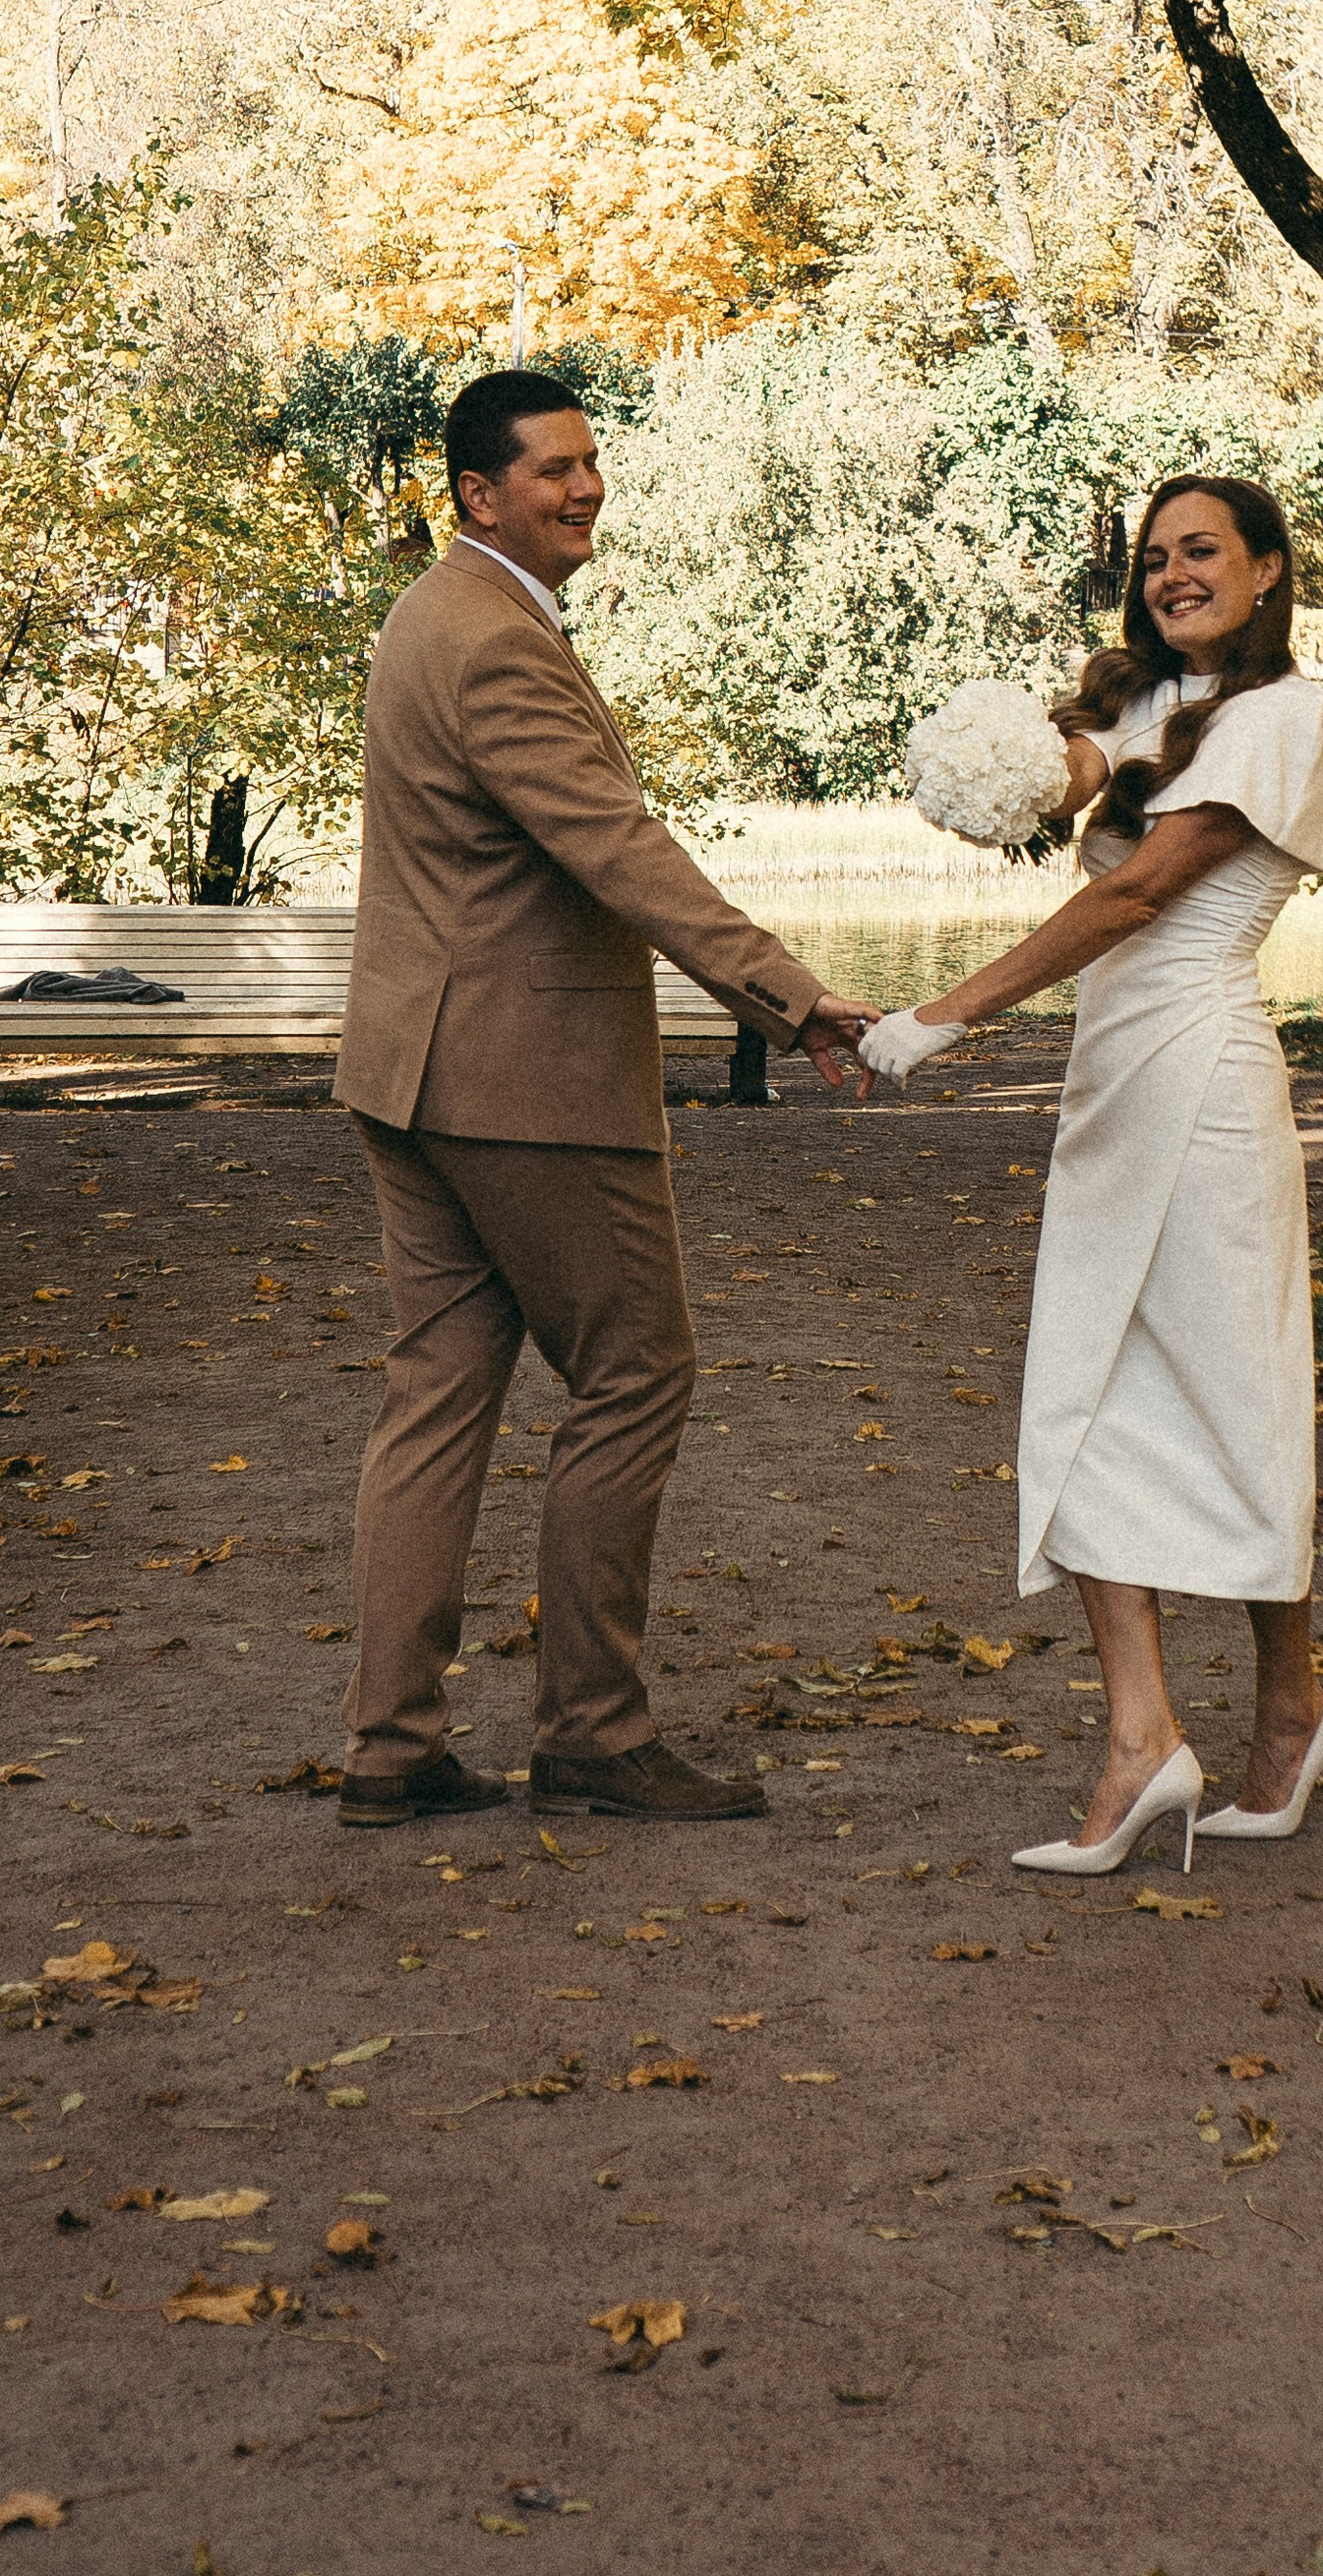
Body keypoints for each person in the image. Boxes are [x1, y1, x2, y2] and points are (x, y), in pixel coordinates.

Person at [331, 367, 875, 1833]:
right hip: (524, 1083)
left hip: (415, 1069)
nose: (584, 488)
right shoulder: (492, 637)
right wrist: (785, 991)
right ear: (477, 494)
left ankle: (392, 1749)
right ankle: (593, 1731)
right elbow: (612, 848)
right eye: (554, 469)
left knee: (438, 1399)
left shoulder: (434, 617)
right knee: (637, 1374)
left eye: (591, 463)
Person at [861, 474, 1323, 1877]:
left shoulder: (1283, 719)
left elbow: (1135, 893)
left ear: (1265, 570)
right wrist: (988, 759)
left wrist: (940, 1016)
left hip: (1204, 1082)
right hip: (1112, 1082)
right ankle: (1142, 1737)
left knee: (1239, 1398)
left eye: (1202, 553)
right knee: (1084, 1383)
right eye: (1154, 558)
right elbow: (1063, 781)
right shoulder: (1144, 709)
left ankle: (1292, 1710)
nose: (1174, 575)